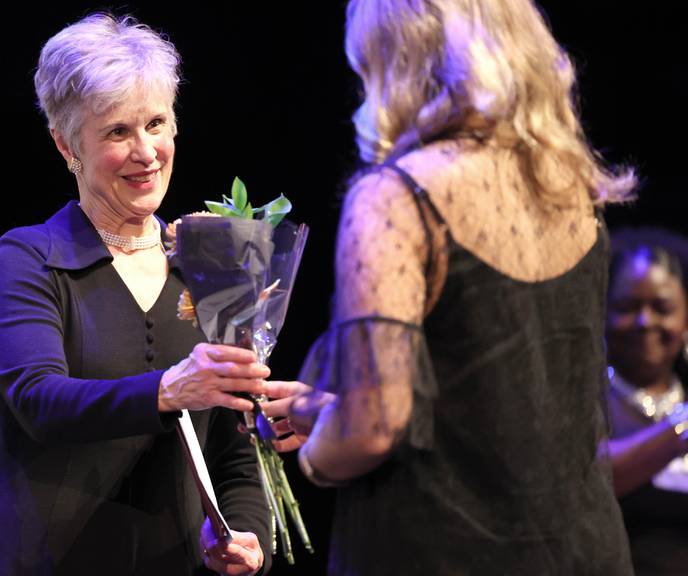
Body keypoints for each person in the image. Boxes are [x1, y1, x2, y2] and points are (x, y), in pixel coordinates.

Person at [292, 0, 638, 573]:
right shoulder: (574, 186)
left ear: (399, 60)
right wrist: (322, 406)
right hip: (583, 550)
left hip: (442, 550)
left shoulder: (397, 196)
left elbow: (373, 430)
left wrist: (315, 456)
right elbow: (497, 398)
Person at [0, 13, 272, 575]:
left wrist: (249, 537)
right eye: (117, 132)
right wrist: (169, 390)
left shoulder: (212, 267)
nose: (146, 151)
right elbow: (38, 400)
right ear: (65, 146)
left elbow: (238, 454)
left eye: (156, 123)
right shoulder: (31, 258)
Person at [605, 227, 687, 576]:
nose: (644, 321)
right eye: (627, 307)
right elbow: (591, 480)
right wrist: (680, 430)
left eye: (662, 308)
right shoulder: (586, 397)